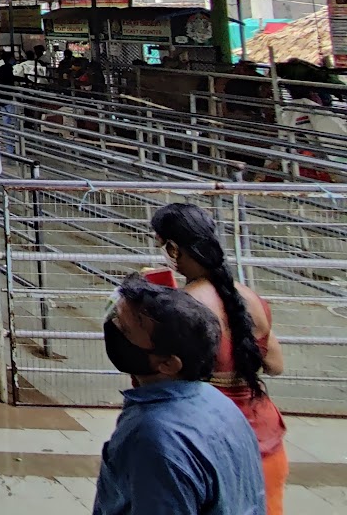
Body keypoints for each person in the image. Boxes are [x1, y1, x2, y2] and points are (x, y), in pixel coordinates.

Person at [151, 203, 287, 513]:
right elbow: (276, 365)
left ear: (173, 249)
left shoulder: (181, 307)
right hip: (263, 442)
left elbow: (158, 377)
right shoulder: (250, 299)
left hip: (203, 442)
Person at [94, 275, 264, 515]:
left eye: (125, 329)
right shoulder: (216, 402)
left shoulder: (154, 436)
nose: (113, 329)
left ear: (168, 364)